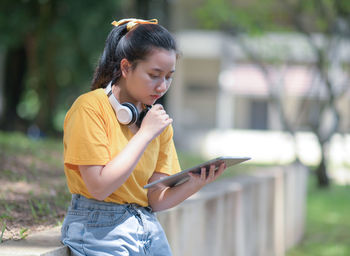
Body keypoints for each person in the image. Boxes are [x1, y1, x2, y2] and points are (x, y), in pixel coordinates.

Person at [61, 18, 226, 256]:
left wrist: (197, 182)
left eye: (169, 77)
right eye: (154, 75)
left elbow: (156, 199)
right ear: (126, 68)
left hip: (146, 225)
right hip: (98, 227)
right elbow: (99, 187)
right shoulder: (90, 108)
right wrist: (145, 134)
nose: (162, 86)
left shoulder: (156, 121)